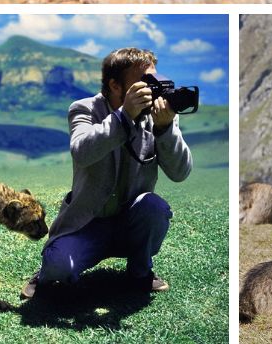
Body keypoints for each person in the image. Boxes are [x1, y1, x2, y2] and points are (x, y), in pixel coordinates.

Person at [21, 47, 192, 298]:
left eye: (154, 81)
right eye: (144, 83)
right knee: (58, 267)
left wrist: (165, 128)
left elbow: (180, 172)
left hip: (131, 222)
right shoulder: (84, 109)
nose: (151, 89)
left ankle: (140, 273)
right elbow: (81, 151)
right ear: (115, 85)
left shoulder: (158, 114)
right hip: (86, 223)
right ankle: (48, 270)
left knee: (154, 207)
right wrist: (124, 117)